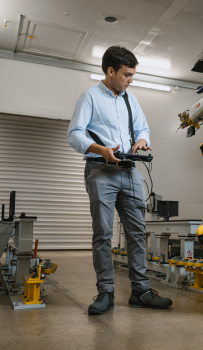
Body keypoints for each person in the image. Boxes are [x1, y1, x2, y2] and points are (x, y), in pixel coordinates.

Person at [67, 46, 173, 315]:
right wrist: (101, 150)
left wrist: (142, 140)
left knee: (137, 232)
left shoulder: (130, 98)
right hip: (100, 171)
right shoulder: (89, 97)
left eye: (133, 75)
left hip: (129, 172)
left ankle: (140, 291)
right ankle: (106, 293)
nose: (131, 80)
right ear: (110, 71)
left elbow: (143, 127)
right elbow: (75, 134)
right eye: (127, 75)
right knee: (103, 234)